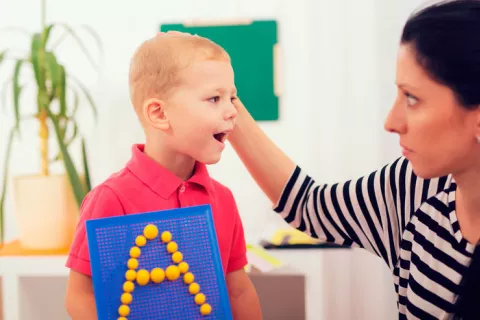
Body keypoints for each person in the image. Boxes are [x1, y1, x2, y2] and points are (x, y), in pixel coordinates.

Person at [228, 0, 480, 319]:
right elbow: (309, 206)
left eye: (412, 99)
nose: (391, 121)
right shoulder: (415, 187)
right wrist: (227, 101)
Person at [64, 33, 262, 319]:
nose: (232, 111)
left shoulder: (223, 200)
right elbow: (80, 295)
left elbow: (238, 290)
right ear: (158, 113)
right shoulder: (110, 199)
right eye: (214, 98)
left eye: (232, 97)